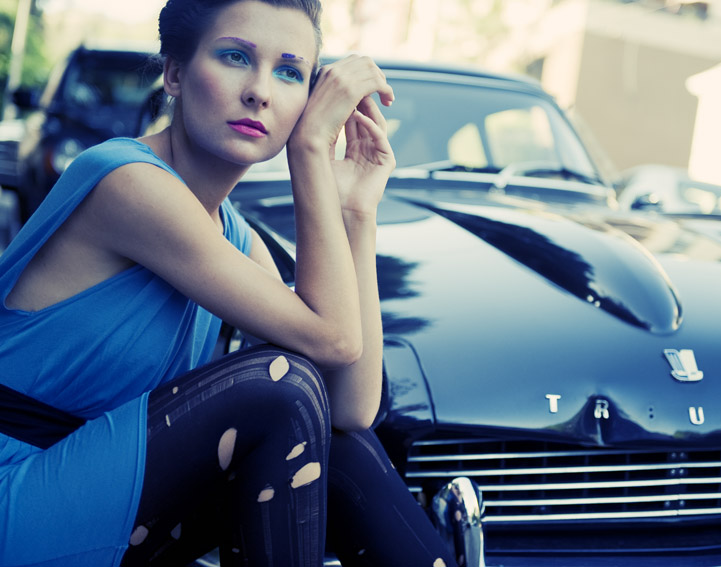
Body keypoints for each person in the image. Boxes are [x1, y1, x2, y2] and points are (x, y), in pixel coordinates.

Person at [0, 1, 458, 565]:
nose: (260, 92)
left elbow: (350, 409)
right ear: (174, 73)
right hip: (18, 493)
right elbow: (334, 339)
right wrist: (309, 150)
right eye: (236, 57)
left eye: (289, 72)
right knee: (280, 385)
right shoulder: (127, 182)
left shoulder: (236, 238)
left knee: (331, 439)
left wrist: (357, 213)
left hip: (104, 500)